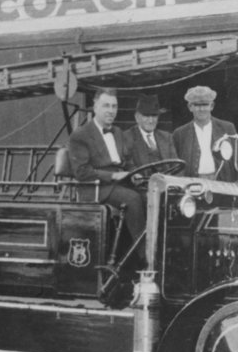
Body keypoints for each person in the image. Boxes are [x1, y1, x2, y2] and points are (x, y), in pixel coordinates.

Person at [67, 88, 144, 240]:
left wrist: (135, 173)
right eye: (106, 106)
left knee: (153, 196)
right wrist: (113, 175)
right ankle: (145, 256)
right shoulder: (81, 134)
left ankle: (143, 250)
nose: (111, 111)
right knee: (133, 199)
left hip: (121, 184)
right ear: (95, 107)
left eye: (114, 106)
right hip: (97, 187)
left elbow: (127, 161)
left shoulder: (118, 132)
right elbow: (82, 172)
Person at [173, 85, 238, 183]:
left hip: (222, 182)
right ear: (190, 107)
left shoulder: (226, 128)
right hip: (193, 184)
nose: (201, 109)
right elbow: (176, 166)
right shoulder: (180, 133)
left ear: (211, 106)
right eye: (196, 105)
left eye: (205, 105)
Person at [122, 94, 178, 168]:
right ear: (137, 117)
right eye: (146, 116)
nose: (151, 121)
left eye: (154, 116)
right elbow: (128, 167)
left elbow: (176, 166)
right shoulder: (127, 137)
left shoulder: (166, 137)